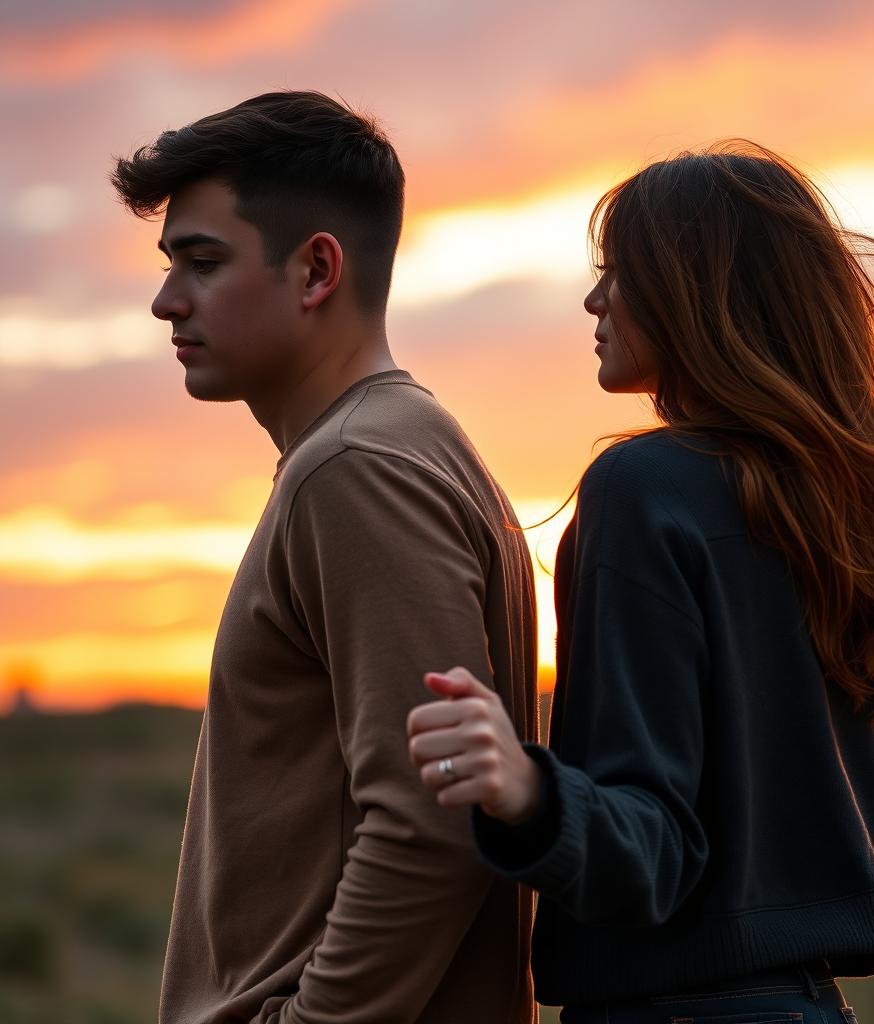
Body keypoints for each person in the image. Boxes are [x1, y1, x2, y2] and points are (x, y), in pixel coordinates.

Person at [407, 141, 874, 1023]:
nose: (593, 301)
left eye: (618, 273)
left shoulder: (647, 489)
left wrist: (525, 788)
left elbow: (655, 851)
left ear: (695, 290)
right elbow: (868, 865)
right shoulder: (836, 506)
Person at [111, 90, 537, 1024]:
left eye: (203, 262)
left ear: (315, 270)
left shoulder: (357, 470)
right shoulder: (395, 445)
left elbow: (434, 820)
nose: (164, 299)